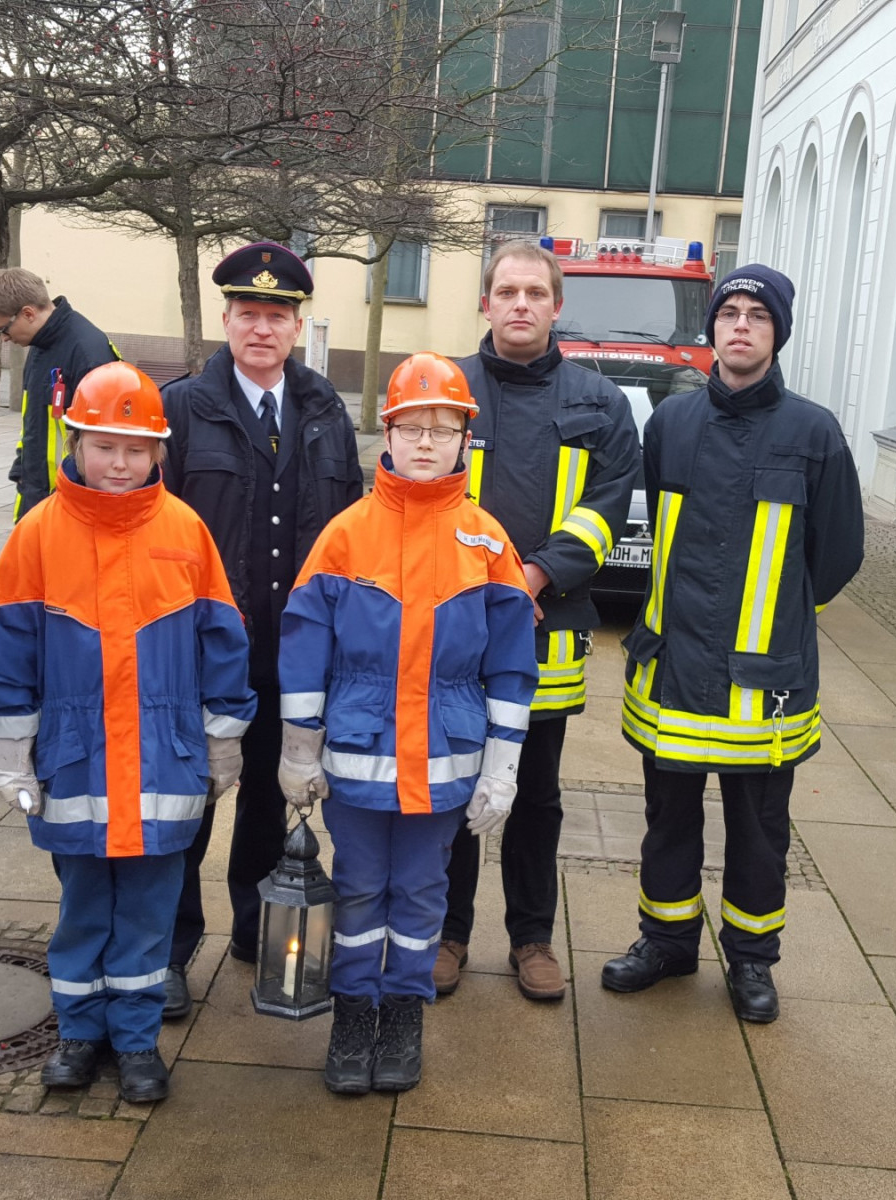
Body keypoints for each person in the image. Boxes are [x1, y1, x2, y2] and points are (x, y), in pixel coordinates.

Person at [0, 362, 256, 1102]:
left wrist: (224, 737)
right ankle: (78, 1035)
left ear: (158, 451)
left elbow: (223, 641)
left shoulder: (184, 530)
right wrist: (11, 748)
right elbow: (7, 647)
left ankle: (135, 1042)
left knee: (150, 913)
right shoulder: (38, 534)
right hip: (75, 764)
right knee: (82, 910)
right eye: (104, 446)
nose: (120, 462)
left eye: (136, 448)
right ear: (75, 442)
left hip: (163, 763)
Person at [601, 264, 865, 1023]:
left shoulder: (815, 432)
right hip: (673, 669)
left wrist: (778, 619)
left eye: (758, 314)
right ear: (712, 328)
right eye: (729, 312)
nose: (741, 325)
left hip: (764, 683)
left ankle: (751, 959)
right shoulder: (672, 424)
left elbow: (837, 554)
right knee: (668, 820)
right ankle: (667, 942)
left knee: (759, 832)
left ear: (778, 333)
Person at [277, 353, 538, 1093]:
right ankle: (352, 1012)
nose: (426, 442)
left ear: (465, 440)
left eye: (443, 428)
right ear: (386, 435)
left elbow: (512, 667)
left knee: (422, 894)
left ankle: (403, 1015)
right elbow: (305, 649)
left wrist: (503, 768)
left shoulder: (488, 542)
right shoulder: (345, 535)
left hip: (445, 764)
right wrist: (298, 751)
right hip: (359, 764)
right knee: (359, 889)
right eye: (412, 427)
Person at [159, 241, 363, 1018]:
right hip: (202, 651)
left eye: (277, 315)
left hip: (293, 651)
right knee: (189, 801)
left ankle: (254, 927)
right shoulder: (183, 408)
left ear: (296, 326)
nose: (262, 328)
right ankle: (172, 947)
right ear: (226, 320)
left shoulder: (324, 411)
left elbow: (347, 531)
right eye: (248, 313)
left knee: (267, 803)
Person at [434, 240, 641, 1002]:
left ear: (557, 305)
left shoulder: (601, 403)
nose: (520, 304)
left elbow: (607, 509)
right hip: (454, 625)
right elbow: (415, 493)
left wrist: (534, 573)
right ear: (485, 302)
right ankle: (447, 934)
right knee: (452, 782)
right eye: (507, 291)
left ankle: (532, 939)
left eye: (535, 293)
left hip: (546, 627)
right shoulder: (444, 388)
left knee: (534, 792)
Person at [0, 267, 119, 521]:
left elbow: (108, 444)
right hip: (38, 499)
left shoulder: (89, 353)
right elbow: (33, 422)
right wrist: (21, 470)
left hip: (71, 506)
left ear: (28, 313)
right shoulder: (40, 344)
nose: (4, 338)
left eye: (3, 329)